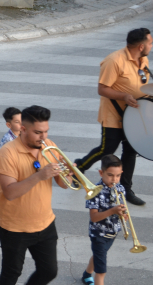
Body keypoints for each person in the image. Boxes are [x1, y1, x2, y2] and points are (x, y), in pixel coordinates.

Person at [74, 28, 151, 206]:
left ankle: (125, 189)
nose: (151, 46)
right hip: (114, 115)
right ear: (141, 46)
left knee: (131, 151)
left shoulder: (143, 59)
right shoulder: (114, 61)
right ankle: (79, 168)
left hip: (134, 116)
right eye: (150, 43)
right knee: (106, 149)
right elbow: (102, 89)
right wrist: (124, 96)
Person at [0, 105, 69, 285]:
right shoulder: (7, 153)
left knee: (49, 271)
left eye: (46, 131)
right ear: (23, 129)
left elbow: (63, 184)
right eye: (37, 132)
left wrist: (67, 173)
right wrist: (39, 176)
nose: (43, 137)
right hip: (14, 228)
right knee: (11, 273)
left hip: (45, 223)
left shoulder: (50, 146)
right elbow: (10, 192)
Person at [81, 155, 125, 285]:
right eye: (110, 175)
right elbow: (94, 217)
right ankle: (91, 276)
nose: (114, 179)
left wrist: (123, 214)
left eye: (118, 176)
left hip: (112, 232)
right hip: (98, 234)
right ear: (101, 173)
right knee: (101, 271)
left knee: (99, 256)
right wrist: (112, 210)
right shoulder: (94, 192)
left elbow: (121, 208)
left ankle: (86, 274)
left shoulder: (120, 189)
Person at [0, 107, 21, 215]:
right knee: (4, 186)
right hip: (7, 165)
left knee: (4, 185)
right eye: (17, 122)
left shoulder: (21, 134)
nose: (21, 124)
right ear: (9, 125)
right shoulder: (8, 138)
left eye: (22, 120)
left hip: (17, 163)